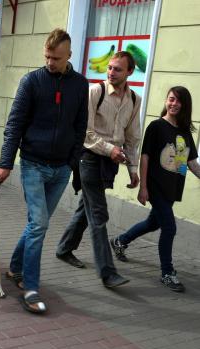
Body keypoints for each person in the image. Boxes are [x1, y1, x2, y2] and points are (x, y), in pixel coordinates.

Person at [0, 29, 89, 314]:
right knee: (39, 224)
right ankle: (31, 287)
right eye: (47, 56)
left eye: (56, 58)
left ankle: (14, 267)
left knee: (38, 223)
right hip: (34, 164)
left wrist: (73, 162)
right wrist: (5, 162)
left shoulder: (80, 84)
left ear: (69, 56)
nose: (50, 62)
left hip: (60, 169)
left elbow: (80, 125)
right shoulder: (32, 82)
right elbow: (14, 125)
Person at [56, 51, 142, 288]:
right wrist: (109, 149)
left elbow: (133, 138)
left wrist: (133, 170)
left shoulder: (134, 100)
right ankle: (107, 272)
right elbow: (84, 132)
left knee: (86, 208)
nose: (111, 72)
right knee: (98, 213)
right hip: (89, 157)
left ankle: (64, 249)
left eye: (118, 69)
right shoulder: (96, 92)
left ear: (130, 72)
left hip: (110, 162)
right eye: (110, 68)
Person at [110, 86, 200, 292]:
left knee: (153, 223)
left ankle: (119, 241)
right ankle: (167, 273)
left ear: (185, 105)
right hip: (156, 186)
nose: (173, 104)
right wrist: (143, 187)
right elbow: (145, 156)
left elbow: (192, 162)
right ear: (166, 101)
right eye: (171, 99)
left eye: (178, 101)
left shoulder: (185, 132)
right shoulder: (156, 126)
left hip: (173, 187)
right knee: (169, 227)